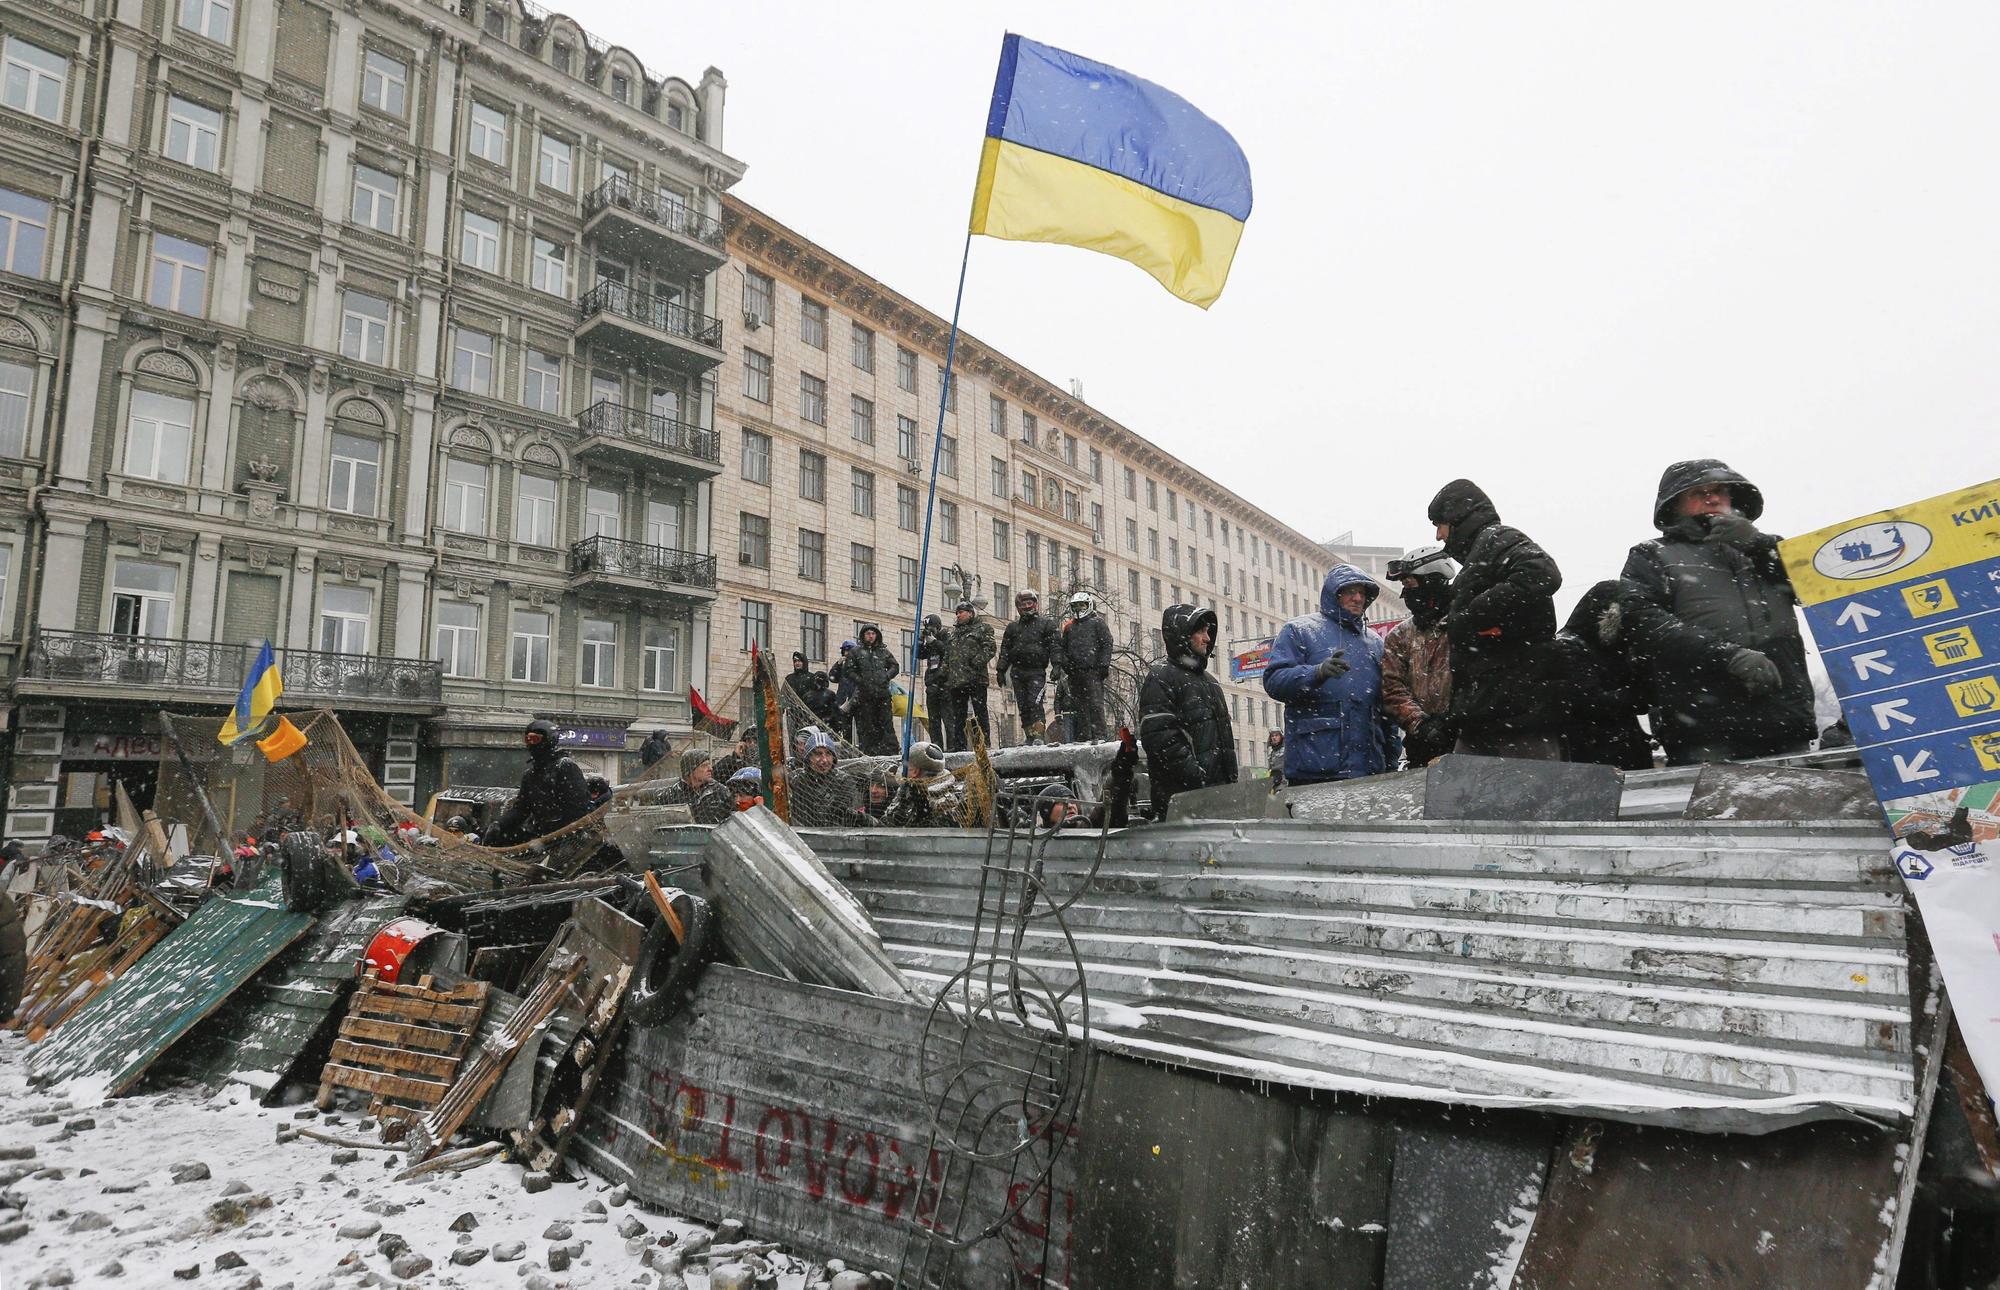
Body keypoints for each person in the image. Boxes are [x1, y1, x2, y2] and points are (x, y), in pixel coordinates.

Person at [1617, 459, 1815, 765]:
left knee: (1805, 809)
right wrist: (1727, 656)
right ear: (1675, 505)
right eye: (1698, 492)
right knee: (1722, 813)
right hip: (1705, 727)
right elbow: (1643, 622)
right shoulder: (1652, 554)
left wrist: (1756, 544)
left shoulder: (1768, 548)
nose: (1712, 498)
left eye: (1719, 491)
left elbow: (1815, 587)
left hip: (1784, 717)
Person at [1427, 479, 1565, 759]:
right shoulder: (1482, 552)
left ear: (1458, 518)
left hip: (1517, 713)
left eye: (1439, 525)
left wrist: (1473, 615)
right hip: (1486, 711)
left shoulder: (1498, 538)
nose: (1439, 536)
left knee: (1531, 793)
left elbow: (1543, 572)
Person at [1263, 564, 1398, 786]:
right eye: (1350, 591)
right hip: (1317, 767)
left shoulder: (1375, 643)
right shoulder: (1300, 630)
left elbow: (1386, 708)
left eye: (1362, 593)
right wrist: (1316, 673)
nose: (1357, 598)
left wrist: (1391, 760)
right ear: (1334, 594)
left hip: (1370, 770)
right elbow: (1274, 681)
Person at [1138, 604, 1237, 817]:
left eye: (1208, 631)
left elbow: (1223, 743)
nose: (1208, 638)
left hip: (1220, 801)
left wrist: (1229, 784)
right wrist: (1197, 778)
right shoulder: (1161, 677)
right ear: (1182, 636)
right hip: (1184, 805)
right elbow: (1160, 738)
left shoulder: (1211, 683)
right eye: (1201, 631)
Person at [1553, 581, 1655, 770]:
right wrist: (1641, 692)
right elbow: (1590, 702)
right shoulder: (1569, 648)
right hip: (1596, 757)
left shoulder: (1612, 648)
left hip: (1617, 751)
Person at [1380, 542, 1459, 769]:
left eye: (1409, 583)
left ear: (1432, 582)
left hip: (1470, 740)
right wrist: (1421, 724)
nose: (1405, 593)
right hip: (1422, 744)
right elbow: (1391, 687)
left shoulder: (1467, 623)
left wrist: (1456, 720)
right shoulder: (1400, 636)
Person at [485, 719, 595, 846]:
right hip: (543, 835)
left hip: (570, 838)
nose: (530, 744)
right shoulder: (530, 775)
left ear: (549, 740)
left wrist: (555, 833)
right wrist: (499, 824)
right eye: (527, 739)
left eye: (535, 739)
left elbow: (578, 810)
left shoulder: (565, 767)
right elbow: (521, 809)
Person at [996, 590, 1061, 744]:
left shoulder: (1046, 624)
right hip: (1017, 672)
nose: (1026, 607)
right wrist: (1000, 670)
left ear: (1035, 604)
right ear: (1018, 607)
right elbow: (1005, 650)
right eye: (1023, 604)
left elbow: (1055, 646)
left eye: (1029, 603)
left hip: (1036, 671)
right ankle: (1029, 736)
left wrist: (1057, 665)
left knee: (1035, 703)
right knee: (1023, 706)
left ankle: (1038, 735)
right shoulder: (1012, 628)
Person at [1057, 591, 1114, 743]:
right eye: (1075, 606)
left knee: (1095, 703)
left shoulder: (1097, 623)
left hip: (1092, 670)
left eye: (1081, 605)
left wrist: (1103, 665)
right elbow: (1063, 648)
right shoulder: (1069, 627)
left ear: (1088, 605)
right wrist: (1066, 665)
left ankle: (1099, 735)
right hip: (1075, 673)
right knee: (1079, 705)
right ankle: (1084, 735)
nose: (1078, 609)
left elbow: (1106, 644)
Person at [941, 601, 996, 750]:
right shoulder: (954, 634)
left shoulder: (982, 629)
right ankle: (960, 745)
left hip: (975, 678)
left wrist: (975, 663)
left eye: (961, 612)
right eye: (957, 613)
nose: (958, 615)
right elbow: (947, 655)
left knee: (980, 712)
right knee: (958, 716)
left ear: (970, 613)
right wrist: (944, 673)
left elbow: (990, 648)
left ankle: (983, 743)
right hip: (956, 681)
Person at [790, 731, 867, 827]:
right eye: (818, 754)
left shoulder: (844, 781)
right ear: (808, 758)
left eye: (828, 754)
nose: (824, 760)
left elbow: (836, 815)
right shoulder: (797, 780)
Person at [847, 624, 901, 756]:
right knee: (868, 726)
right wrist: (861, 681)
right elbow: (849, 670)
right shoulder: (856, 652)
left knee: (886, 725)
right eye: (868, 634)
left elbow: (895, 666)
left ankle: (890, 752)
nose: (870, 636)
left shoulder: (883, 651)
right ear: (863, 636)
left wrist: (886, 676)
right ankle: (870, 753)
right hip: (865, 696)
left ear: (876, 635)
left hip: (882, 695)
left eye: (873, 633)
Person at [659, 748, 734, 825]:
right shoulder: (671, 795)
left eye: (709, 764)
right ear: (690, 770)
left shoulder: (721, 792)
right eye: (704, 766)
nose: (710, 769)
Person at [919, 614, 952, 751]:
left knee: (949, 720)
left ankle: (952, 748)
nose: (930, 632)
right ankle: (937, 747)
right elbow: (918, 654)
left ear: (938, 627)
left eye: (931, 629)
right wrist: (921, 640)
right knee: (934, 722)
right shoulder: (930, 644)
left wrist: (935, 642)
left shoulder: (947, 638)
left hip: (945, 685)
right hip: (932, 686)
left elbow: (948, 653)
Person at [828, 641, 859, 743]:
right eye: (845, 651)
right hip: (843, 700)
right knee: (845, 728)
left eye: (849, 651)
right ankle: (847, 745)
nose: (847, 654)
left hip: (855, 700)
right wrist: (838, 664)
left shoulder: (858, 665)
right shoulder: (842, 666)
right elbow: (832, 677)